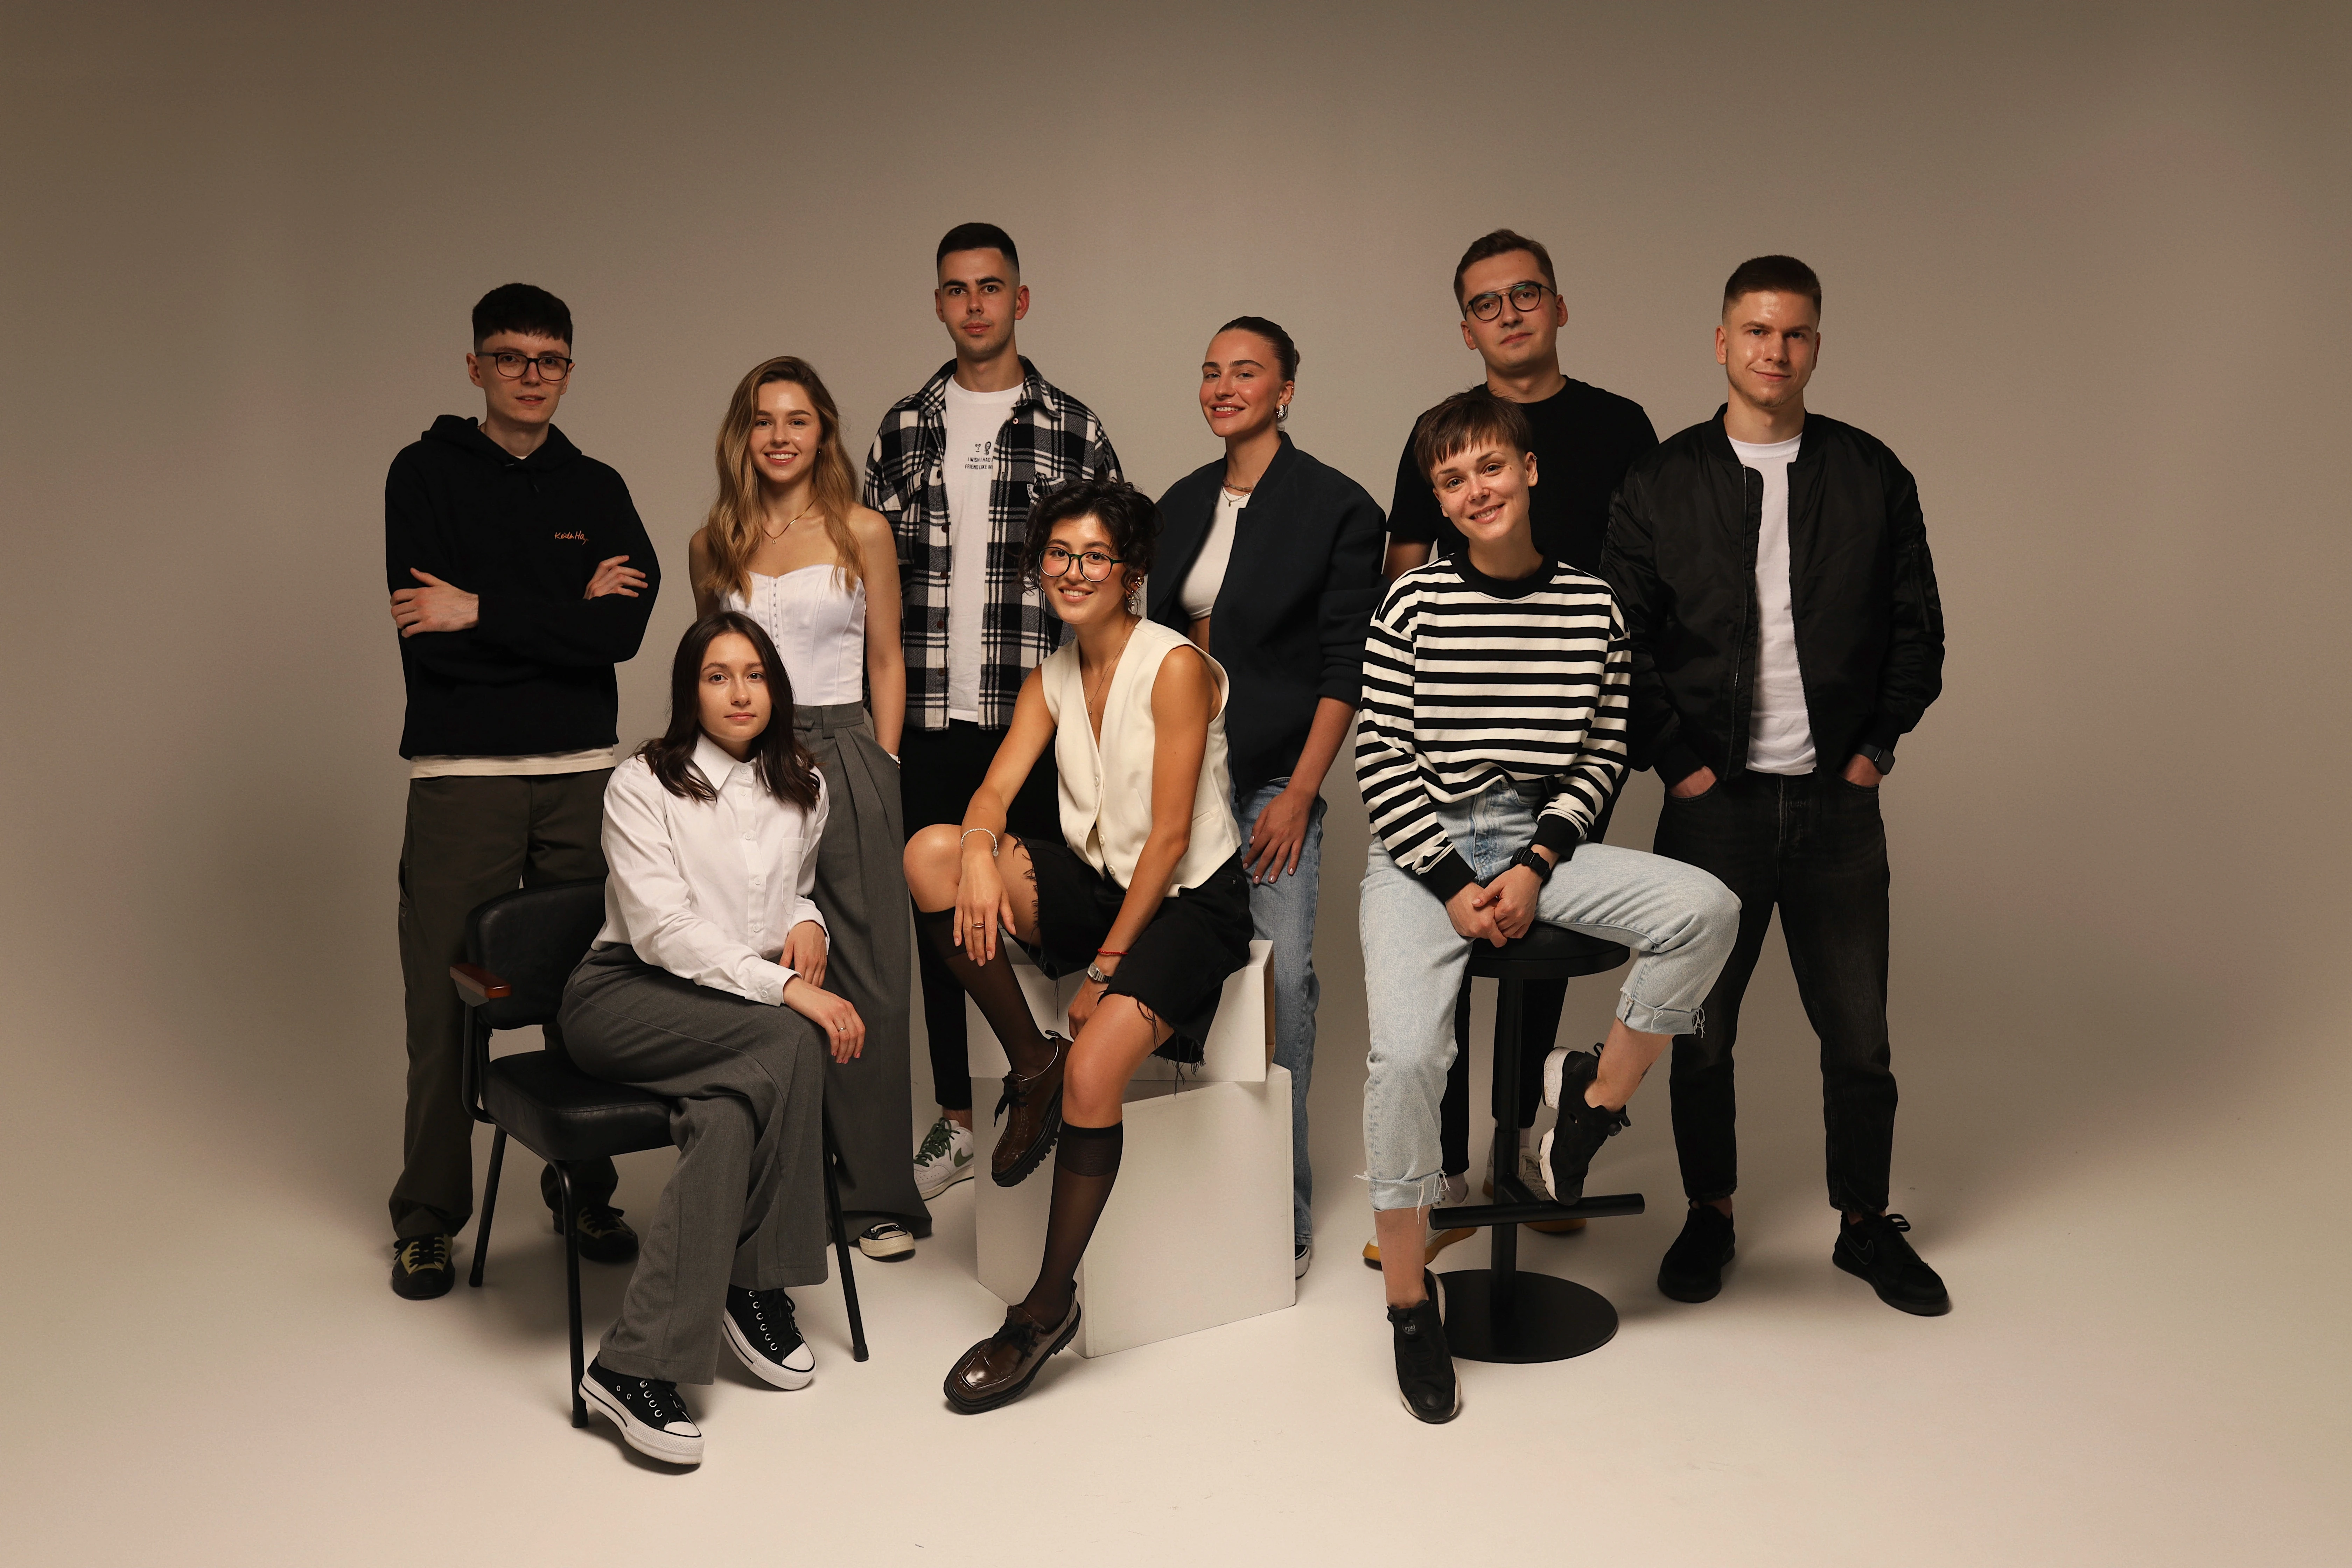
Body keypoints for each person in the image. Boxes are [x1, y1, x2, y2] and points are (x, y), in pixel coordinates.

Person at [1359, 388, 1739, 1422]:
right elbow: (1381, 759)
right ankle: (1409, 1306)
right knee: (1404, 1058)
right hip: (1418, 854)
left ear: (1530, 472)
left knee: (1705, 910)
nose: (1474, 490)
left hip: (1537, 841)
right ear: (1437, 500)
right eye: (1451, 480)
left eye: (1490, 468)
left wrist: (1531, 868)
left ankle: (1591, 1100)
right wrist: (1449, 884)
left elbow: (1601, 753)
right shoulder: (1412, 606)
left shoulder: (1591, 607)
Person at [1600, 255, 1950, 1315]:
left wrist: (1873, 747)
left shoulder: (1871, 473)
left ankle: (1862, 1225)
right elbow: (1622, 641)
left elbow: (1917, 628)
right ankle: (1711, 1215)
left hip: (1838, 804)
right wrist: (1683, 765)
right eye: (1756, 332)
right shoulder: (1662, 482)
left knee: (1859, 1033)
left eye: (1794, 334)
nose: (1774, 352)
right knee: (1700, 1033)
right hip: (1716, 808)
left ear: (1816, 345)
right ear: (1721, 342)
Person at [902, 478, 1253, 1413]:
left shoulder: (1172, 667)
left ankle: (1044, 1308)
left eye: (1095, 556)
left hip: (1188, 903)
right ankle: (1032, 1066)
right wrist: (980, 851)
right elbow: (990, 791)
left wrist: (1103, 973)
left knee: (1099, 1075)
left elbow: (1173, 839)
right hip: (1102, 885)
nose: (1073, 572)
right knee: (931, 857)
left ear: (1132, 571)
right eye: (1058, 555)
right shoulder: (1052, 676)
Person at [1371, 229, 1660, 1267]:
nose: (1510, 313)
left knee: (1534, 949)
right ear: (1467, 328)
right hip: (1463, 709)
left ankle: (1518, 1162)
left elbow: (1655, 563)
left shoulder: (1621, 425)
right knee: (1442, 962)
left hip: (1574, 705)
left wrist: (1606, 688)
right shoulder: (1444, 436)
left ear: (1558, 306)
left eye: (1525, 294)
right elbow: (1407, 561)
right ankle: (1440, 1176)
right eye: (1487, 303)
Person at [384, 282, 659, 1300]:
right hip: (463, 784)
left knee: (591, 992)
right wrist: (561, 618)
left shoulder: (598, 487)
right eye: (510, 357)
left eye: (548, 360)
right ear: (475, 367)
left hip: (587, 781)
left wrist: (484, 610)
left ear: (569, 371)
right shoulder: (422, 477)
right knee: (446, 1006)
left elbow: (624, 636)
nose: (530, 376)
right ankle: (426, 1219)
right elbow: (435, 648)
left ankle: (581, 1183)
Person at [560, 612, 864, 1466]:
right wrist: (792, 988)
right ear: (690, 690)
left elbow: (794, 891)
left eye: (755, 675)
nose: (739, 692)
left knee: (731, 1115)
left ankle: (631, 1365)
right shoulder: (641, 783)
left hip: (729, 1010)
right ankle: (754, 1277)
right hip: (624, 993)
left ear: (776, 688)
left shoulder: (803, 780)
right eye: (718, 675)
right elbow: (663, 931)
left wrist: (810, 928)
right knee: (792, 1042)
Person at [864, 222, 1124, 1203]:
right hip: (929, 715)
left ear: (1022, 299)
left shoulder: (1074, 428)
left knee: (1042, 907)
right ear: (938, 304)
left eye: (991, 287)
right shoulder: (902, 429)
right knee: (936, 910)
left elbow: (1110, 575)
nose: (974, 304)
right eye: (956, 290)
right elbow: (869, 592)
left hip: (1036, 718)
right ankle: (963, 1116)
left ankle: (1073, 1088)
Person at [1147, 316, 1384, 1277]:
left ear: (1287, 390)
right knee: (1176, 973)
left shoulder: (1338, 507)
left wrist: (1299, 796)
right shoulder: (1179, 501)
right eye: (1210, 372)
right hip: (1176, 778)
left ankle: (1275, 1207)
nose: (1223, 386)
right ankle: (1185, 1184)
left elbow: (1346, 668)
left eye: (1246, 372)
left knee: (1282, 981)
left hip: (1274, 777)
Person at [691, 356, 922, 1261]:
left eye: (798, 419)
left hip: (845, 749)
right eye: (763, 420)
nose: (781, 436)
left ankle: (876, 1199)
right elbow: (710, 673)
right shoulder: (713, 542)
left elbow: (891, 660)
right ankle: (782, 1187)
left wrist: (883, 764)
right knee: (761, 963)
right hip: (747, 762)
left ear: (823, 430)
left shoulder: (863, 528)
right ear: (742, 435)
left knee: (869, 974)